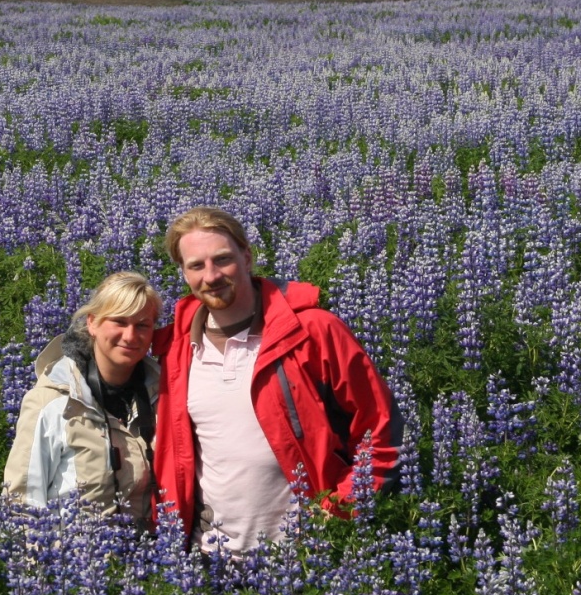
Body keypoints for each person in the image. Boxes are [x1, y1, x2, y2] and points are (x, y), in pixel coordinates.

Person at [153, 207, 399, 551]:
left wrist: (341, 510)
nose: (211, 275)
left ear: (247, 257)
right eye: (196, 265)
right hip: (207, 559)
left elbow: (380, 427)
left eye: (222, 259)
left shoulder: (314, 330)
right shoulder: (174, 348)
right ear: (183, 272)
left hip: (303, 559)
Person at [4, 271, 161, 528]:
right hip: (72, 561)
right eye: (119, 322)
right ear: (92, 323)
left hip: (148, 558)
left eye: (142, 324)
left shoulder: (162, 395)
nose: (131, 336)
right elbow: (21, 503)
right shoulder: (51, 400)